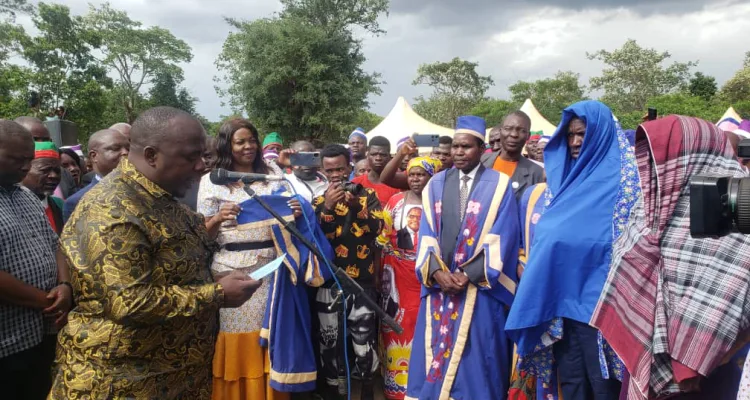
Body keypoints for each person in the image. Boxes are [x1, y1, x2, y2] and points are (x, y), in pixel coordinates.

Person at [50, 107, 262, 399]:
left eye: (203, 155)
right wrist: (216, 293)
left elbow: (176, 265)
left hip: (175, 375)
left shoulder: (162, 196)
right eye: (191, 157)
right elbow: (128, 302)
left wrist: (217, 276)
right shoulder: (112, 210)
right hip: (124, 382)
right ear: (151, 156)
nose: (202, 166)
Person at [592, 116, 750, 399]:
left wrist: (707, 355)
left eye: (665, 157)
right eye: (650, 157)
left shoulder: (739, 213)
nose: (654, 166)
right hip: (644, 358)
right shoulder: (650, 207)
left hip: (712, 373)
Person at [506, 101, 637, 400]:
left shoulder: (627, 186)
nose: (576, 142)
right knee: (572, 383)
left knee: (604, 386)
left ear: (601, 135)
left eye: (582, 134)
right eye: (570, 135)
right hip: (561, 305)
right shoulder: (562, 182)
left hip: (604, 307)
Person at [405, 115, 520, 400]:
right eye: (455, 146)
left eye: (466, 147)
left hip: (477, 289)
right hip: (440, 285)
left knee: (477, 359)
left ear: (482, 149)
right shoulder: (436, 183)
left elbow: (503, 236)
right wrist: (437, 272)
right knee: (434, 354)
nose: (458, 152)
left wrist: (467, 275)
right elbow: (428, 233)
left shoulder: (499, 184)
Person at [197, 118, 300, 400]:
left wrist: (296, 211)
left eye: (252, 140)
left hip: (275, 268)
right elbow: (203, 235)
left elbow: (289, 214)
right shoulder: (212, 181)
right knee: (241, 340)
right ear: (227, 145)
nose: (248, 146)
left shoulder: (273, 173)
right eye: (240, 141)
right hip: (234, 271)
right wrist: (219, 217)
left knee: (273, 339)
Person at [0, 120, 72, 400]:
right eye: (17, 159)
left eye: (28, 160)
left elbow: (56, 245)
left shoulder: (26, 197)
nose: (24, 167)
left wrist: (65, 285)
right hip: (7, 341)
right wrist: (47, 302)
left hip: (39, 335)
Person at [312, 144, 384, 400]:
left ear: (350, 166)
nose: (335, 175)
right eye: (329, 170)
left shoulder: (368, 195)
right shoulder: (318, 201)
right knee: (329, 343)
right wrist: (328, 209)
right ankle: (334, 393)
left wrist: (355, 207)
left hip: (362, 282)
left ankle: (366, 390)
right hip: (328, 283)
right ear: (322, 170)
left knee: (364, 343)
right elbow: (316, 239)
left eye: (340, 169)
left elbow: (377, 230)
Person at [376, 156, 442, 400]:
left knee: (424, 327)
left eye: (421, 174)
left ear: (432, 176)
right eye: (412, 174)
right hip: (394, 274)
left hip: (427, 276)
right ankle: (395, 388)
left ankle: (423, 386)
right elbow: (382, 239)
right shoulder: (394, 202)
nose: (415, 179)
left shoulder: (440, 205)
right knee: (395, 326)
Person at [508, 182, 561, 400]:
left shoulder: (587, 187)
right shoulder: (533, 194)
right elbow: (517, 238)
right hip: (532, 286)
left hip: (566, 290)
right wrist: (521, 266)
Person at [63, 128, 130, 224]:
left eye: (129, 149)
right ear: (94, 156)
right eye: (115, 149)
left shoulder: (143, 190)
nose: (125, 153)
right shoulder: (77, 201)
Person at [482, 111, 545, 200]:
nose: (514, 134)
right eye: (508, 128)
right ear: (500, 132)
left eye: (521, 130)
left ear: (528, 136)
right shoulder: (481, 162)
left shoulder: (537, 174)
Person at [21, 141, 64, 234]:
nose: (53, 176)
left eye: (57, 171)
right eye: (45, 170)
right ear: (25, 170)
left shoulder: (60, 205)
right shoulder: (11, 208)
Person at [352, 136, 402, 206]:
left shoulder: (398, 186)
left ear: (389, 157)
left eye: (383, 155)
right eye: (374, 154)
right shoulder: (356, 183)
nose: (378, 158)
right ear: (368, 155)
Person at [176, 135, 217, 210]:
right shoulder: (180, 188)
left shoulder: (229, 185)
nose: (202, 163)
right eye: (195, 157)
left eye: (208, 157)